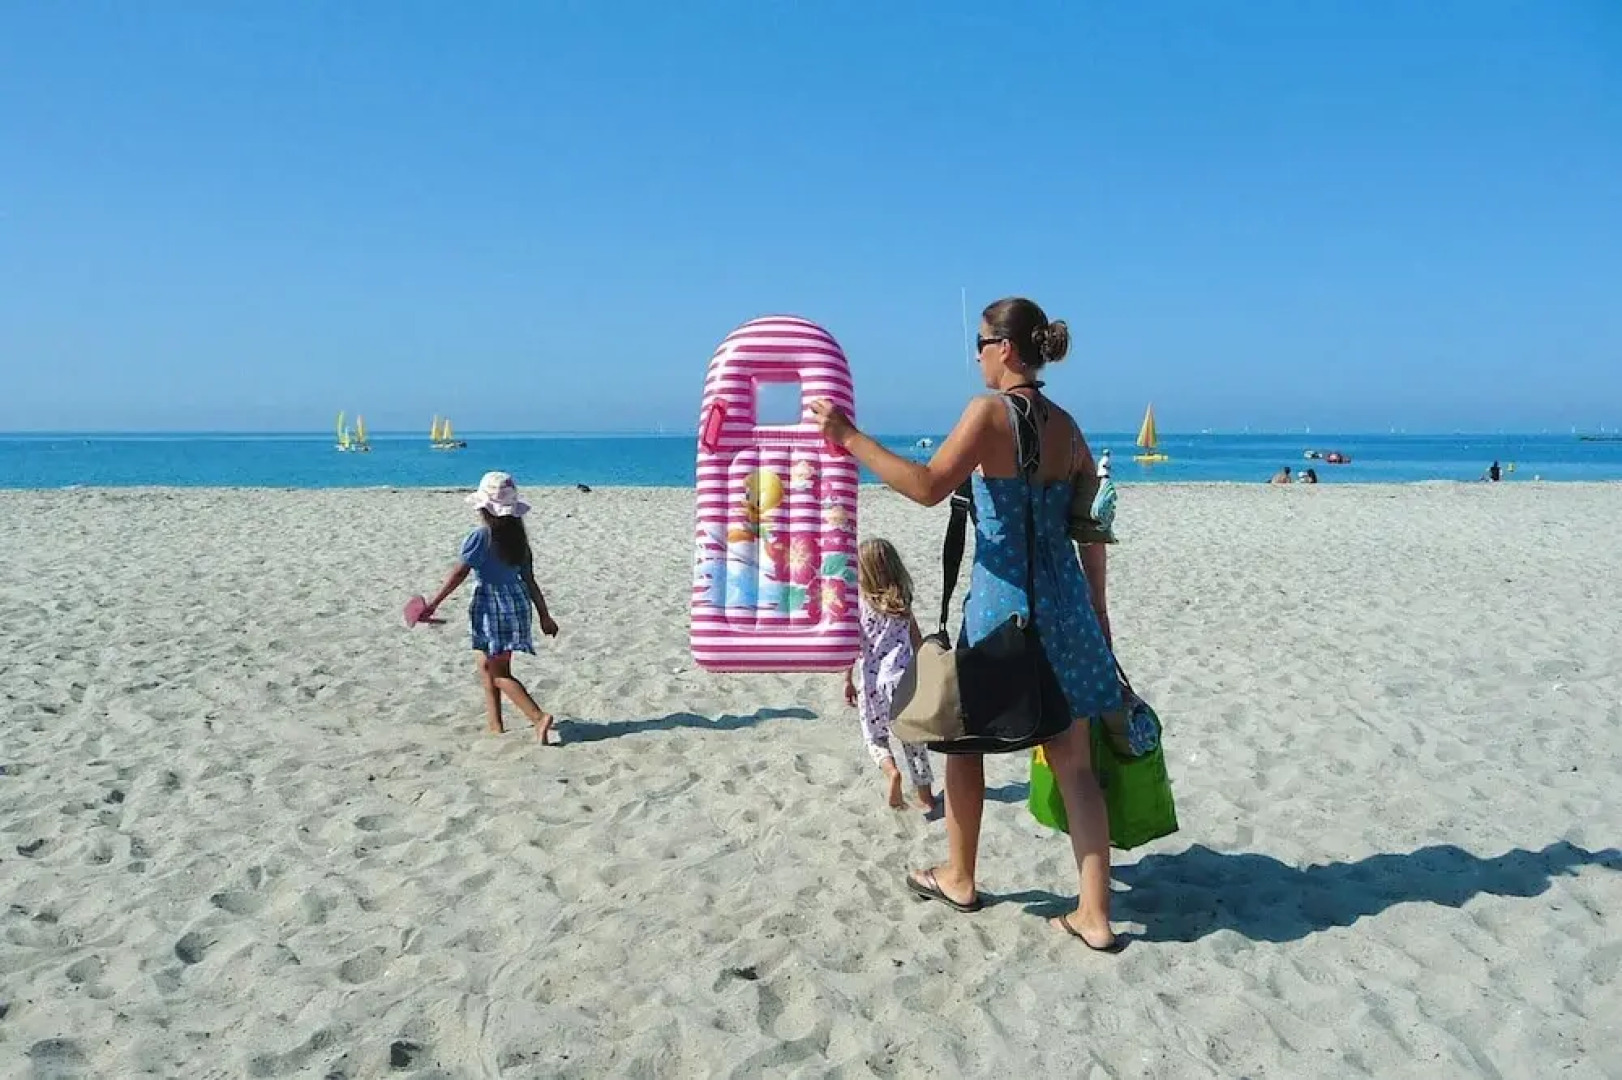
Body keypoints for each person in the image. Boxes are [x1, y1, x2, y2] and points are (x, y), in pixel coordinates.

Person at [812, 296, 1123, 952]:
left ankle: (960, 875)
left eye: (980, 344)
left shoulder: (988, 414)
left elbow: (926, 485)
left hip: (1001, 607)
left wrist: (847, 437)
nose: (977, 356)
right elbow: (1091, 529)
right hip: (1066, 609)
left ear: (1006, 349)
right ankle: (1094, 914)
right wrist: (1098, 610)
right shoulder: (1068, 426)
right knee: (1075, 765)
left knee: (963, 746)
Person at [421, 472, 560, 742]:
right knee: (486, 666)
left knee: (499, 673)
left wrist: (434, 603)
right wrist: (545, 616)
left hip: (491, 607)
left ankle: (537, 717)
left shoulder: (481, 537)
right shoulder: (519, 539)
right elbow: (530, 580)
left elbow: (458, 574)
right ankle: (495, 725)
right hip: (517, 605)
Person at [843, 539, 937, 813]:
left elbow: (850, 646)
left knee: (875, 738)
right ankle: (926, 797)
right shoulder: (901, 600)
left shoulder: (858, 605)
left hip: (872, 683)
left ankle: (891, 772)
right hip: (904, 678)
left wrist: (847, 680)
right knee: (913, 740)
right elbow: (917, 640)